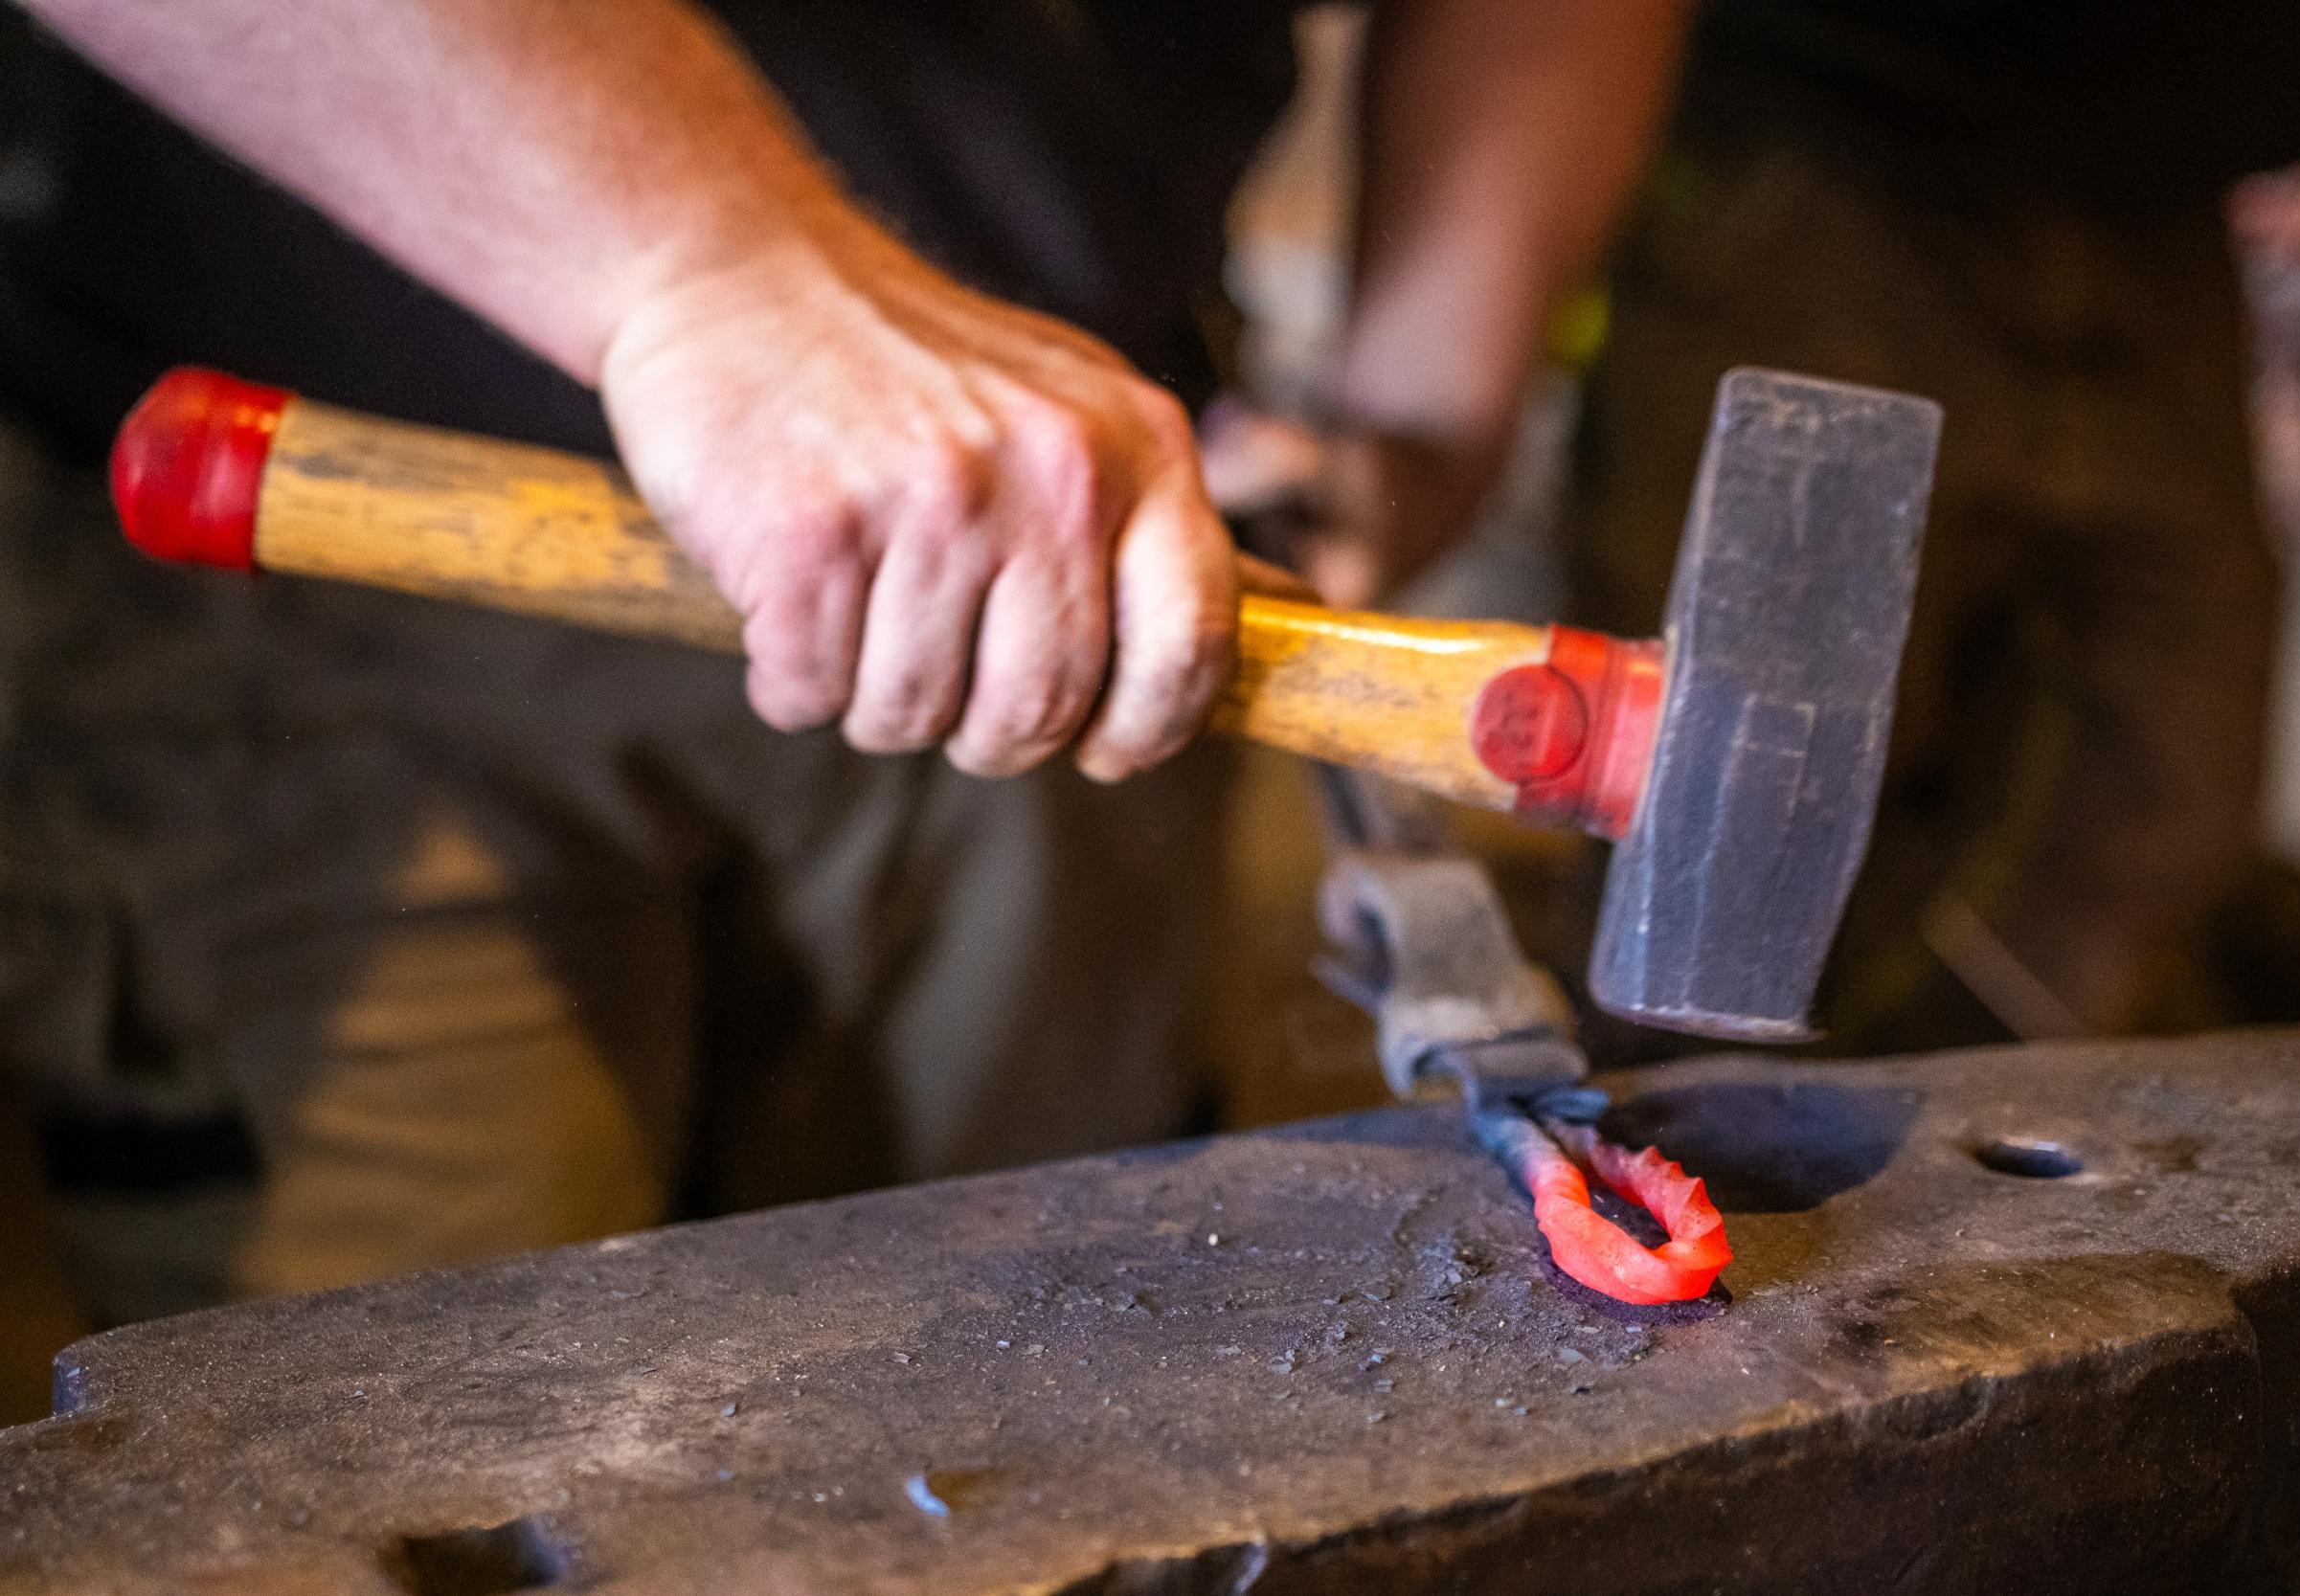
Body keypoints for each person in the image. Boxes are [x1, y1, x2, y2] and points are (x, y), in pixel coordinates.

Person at [0, 0, 1689, 1410]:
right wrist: (708, 261)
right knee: (403, 1438)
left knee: (1048, 1412)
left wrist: (1418, 394)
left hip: (1077, 578)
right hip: (322, 555)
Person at [1567, 0, 2300, 1051]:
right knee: (1736, 836)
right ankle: (1689, 1155)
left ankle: (1916, 1149)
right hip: (1818, 145)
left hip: (2168, 181)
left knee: (2161, 796)